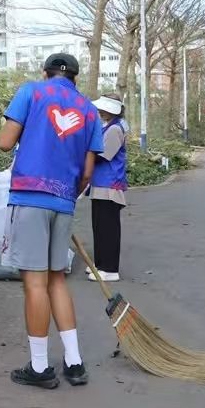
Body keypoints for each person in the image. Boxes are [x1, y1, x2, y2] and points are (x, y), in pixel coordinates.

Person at [0, 53, 103, 390]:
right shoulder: (89, 111)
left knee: (35, 284)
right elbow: (87, 173)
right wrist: (66, 195)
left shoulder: (31, 92)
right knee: (57, 280)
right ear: (75, 79)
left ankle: (40, 367)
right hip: (64, 201)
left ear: (45, 73)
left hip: (29, 197)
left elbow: (4, 143)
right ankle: (74, 362)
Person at [89, 93, 128, 283]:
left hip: (109, 186)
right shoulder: (109, 127)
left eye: (103, 109)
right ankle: (100, 264)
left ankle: (110, 268)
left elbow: (102, 155)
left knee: (108, 229)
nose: (100, 111)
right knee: (99, 227)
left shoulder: (114, 130)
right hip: (100, 185)